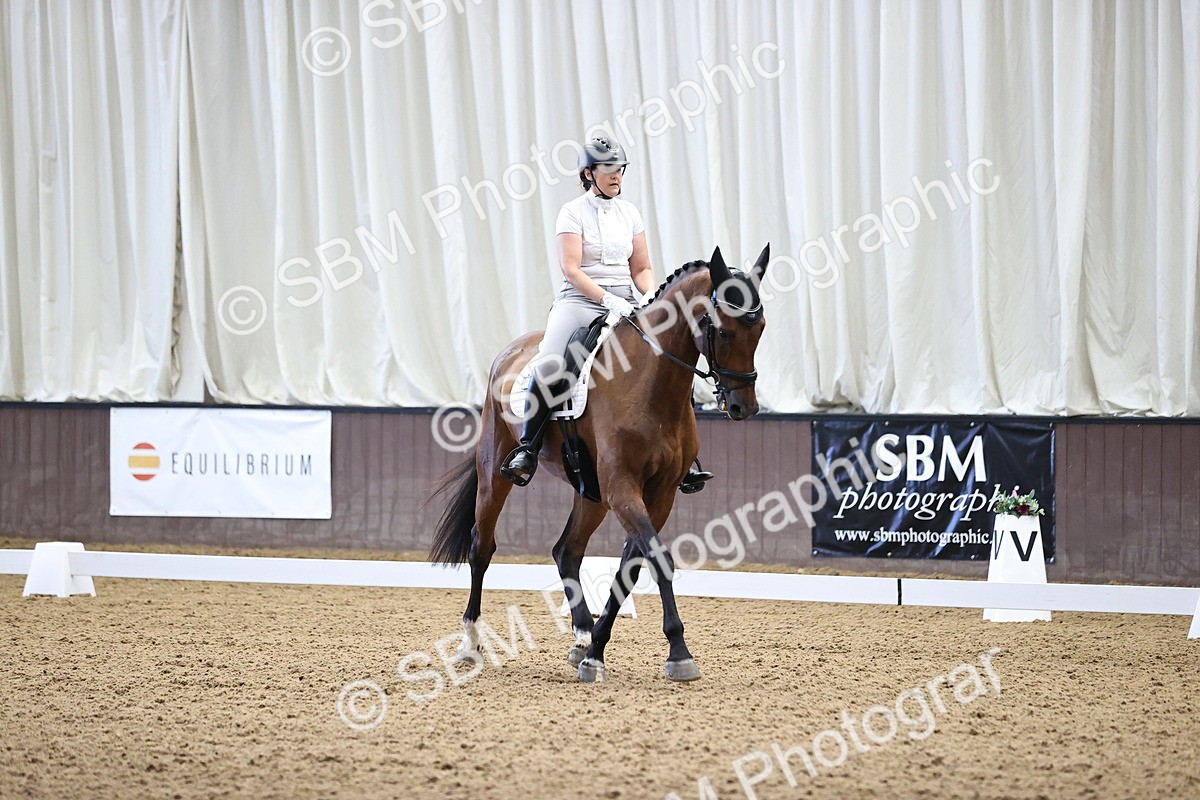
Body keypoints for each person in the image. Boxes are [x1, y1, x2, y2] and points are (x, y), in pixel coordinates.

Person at [499, 136, 713, 493]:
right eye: (609, 170)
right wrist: (606, 299)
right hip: (580, 301)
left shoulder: (630, 213)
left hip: (629, 298)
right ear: (589, 173)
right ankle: (528, 447)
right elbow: (571, 269)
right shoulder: (571, 212)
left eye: (620, 170)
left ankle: (685, 458)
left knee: (668, 357)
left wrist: (651, 296)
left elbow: (641, 266)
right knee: (551, 361)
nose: (617, 176)